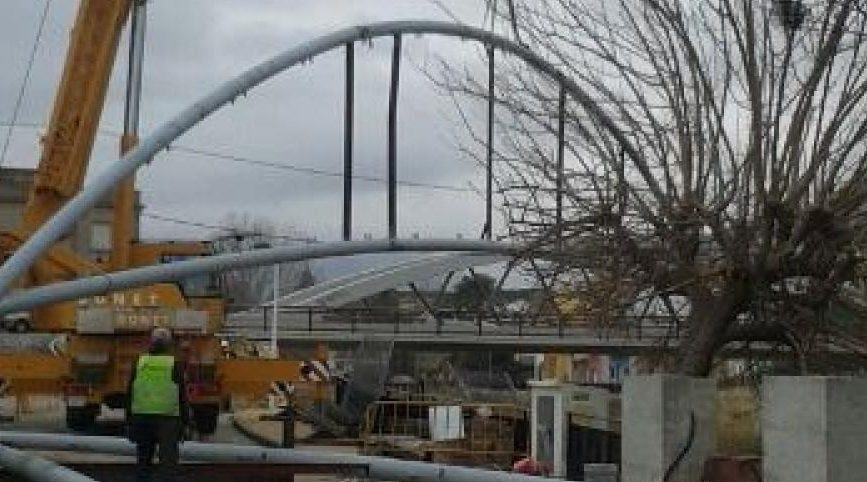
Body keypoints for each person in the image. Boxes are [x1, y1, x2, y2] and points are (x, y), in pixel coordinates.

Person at [126, 327, 189, 482]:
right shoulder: (174, 364)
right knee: (168, 466)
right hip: (168, 420)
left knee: (143, 462)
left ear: (151, 343)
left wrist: (129, 421)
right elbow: (182, 396)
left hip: (142, 418)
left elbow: (130, 393)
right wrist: (185, 423)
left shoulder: (139, 362)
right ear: (169, 345)